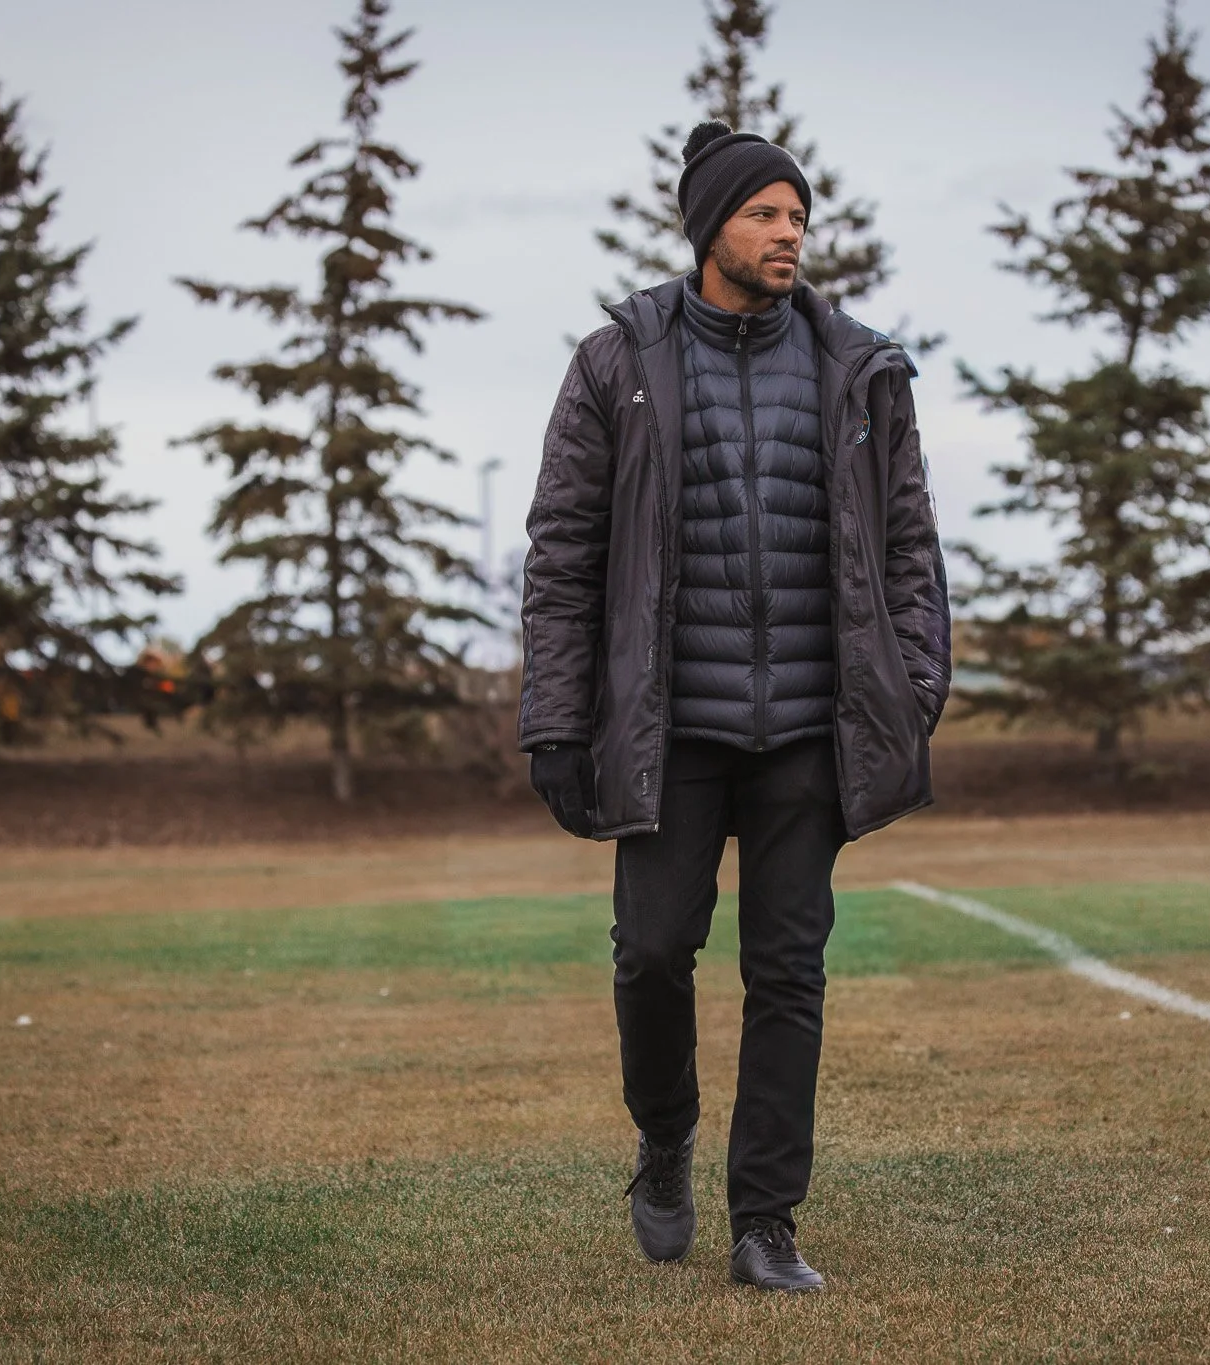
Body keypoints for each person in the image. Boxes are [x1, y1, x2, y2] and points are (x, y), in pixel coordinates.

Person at [518, 120, 950, 1292]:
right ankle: (664, 1139)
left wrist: (914, 683)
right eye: (764, 214)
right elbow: (561, 550)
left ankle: (765, 1222)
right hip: (668, 732)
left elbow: (909, 543)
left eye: (797, 216)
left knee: (788, 972)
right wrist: (556, 719)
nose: (788, 235)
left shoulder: (857, 367)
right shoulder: (619, 361)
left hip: (810, 729)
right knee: (652, 954)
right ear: (709, 227)